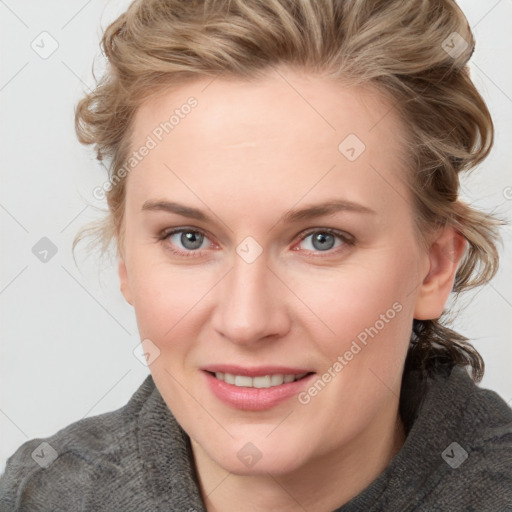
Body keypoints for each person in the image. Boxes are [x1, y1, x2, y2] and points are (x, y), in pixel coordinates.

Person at [1, 0, 511, 510]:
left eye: (322, 239)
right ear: (125, 257)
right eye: (189, 238)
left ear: (435, 266)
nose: (247, 322)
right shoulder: (38, 495)